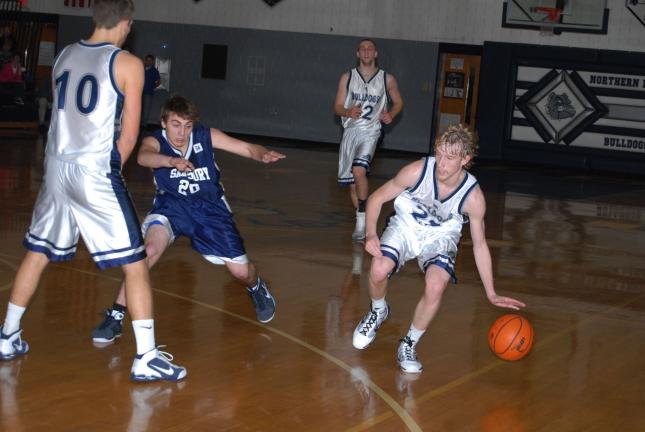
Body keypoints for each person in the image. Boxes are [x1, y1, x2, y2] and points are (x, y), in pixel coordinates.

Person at [0, 0, 187, 383]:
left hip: (55, 166)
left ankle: (7, 335)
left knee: (37, 253)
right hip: (93, 170)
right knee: (135, 263)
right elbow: (131, 135)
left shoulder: (64, 55)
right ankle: (147, 356)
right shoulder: (128, 64)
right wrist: (109, 168)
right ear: (126, 23)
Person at [91, 94, 285, 343]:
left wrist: (262, 154)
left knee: (241, 272)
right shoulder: (155, 140)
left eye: (187, 125)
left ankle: (256, 286)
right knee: (147, 252)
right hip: (171, 207)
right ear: (163, 122)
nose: (182, 132)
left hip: (210, 210)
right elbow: (143, 157)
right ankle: (115, 316)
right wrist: (171, 161)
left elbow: (246, 147)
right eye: (175, 125)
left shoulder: (206, 135)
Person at [351, 124, 526, 373]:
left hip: (441, 235)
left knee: (436, 285)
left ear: (466, 159)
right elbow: (377, 198)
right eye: (439, 154)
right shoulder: (417, 171)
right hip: (406, 225)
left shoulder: (473, 197)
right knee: (378, 268)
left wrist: (491, 292)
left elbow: (480, 244)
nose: (441, 163)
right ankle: (378, 311)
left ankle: (409, 343)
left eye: (450, 158)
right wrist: (370, 233)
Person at [333, 38, 403, 241]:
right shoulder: (347, 77)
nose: (366, 51)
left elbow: (399, 102)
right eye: (362, 49)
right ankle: (362, 216)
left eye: (369, 48)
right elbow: (336, 106)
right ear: (357, 54)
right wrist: (347, 111)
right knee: (353, 184)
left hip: (371, 131)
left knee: (359, 170)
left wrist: (391, 113)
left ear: (376, 54)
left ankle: (362, 222)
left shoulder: (386, 79)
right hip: (350, 132)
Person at [141, 54, 160, 127]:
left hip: (148, 92)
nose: (148, 62)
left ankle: (143, 124)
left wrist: (153, 86)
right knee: (139, 107)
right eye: (147, 60)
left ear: (153, 62)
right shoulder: (141, 68)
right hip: (139, 92)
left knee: (146, 109)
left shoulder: (154, 71)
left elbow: (158, 81)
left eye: (150, 61)